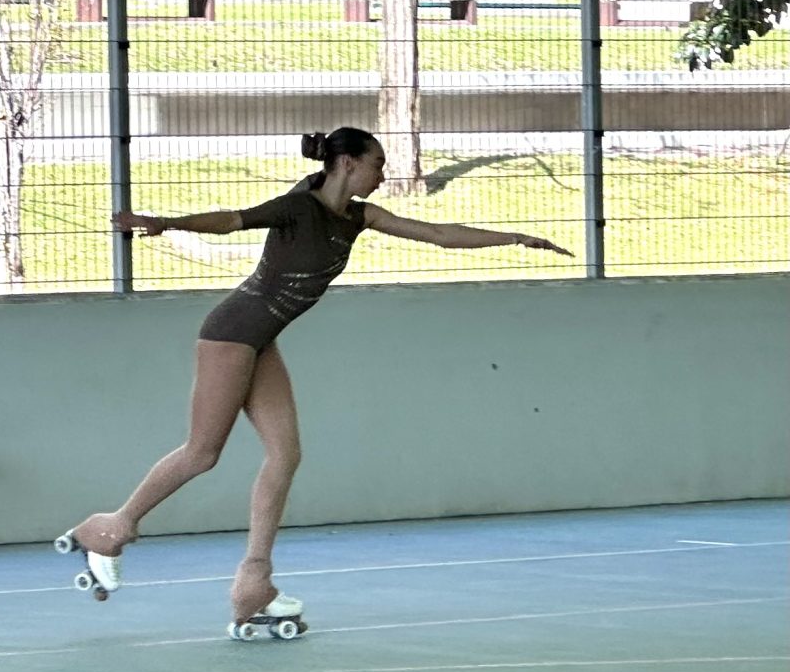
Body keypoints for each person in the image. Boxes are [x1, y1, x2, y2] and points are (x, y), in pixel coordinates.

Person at [65, 127, 573, 629]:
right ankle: (109, 531)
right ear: (348, 163)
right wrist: (166, 222)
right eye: (377, 165)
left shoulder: (359, 217)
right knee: (202, 453)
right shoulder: (297, 208)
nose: (382, 176)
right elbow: (231, 220)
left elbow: (437, 234)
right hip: (231, 335)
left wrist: (516, 237)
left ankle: (254, 583)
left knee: (285, 455)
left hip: (261, 341)